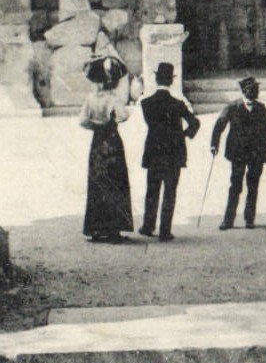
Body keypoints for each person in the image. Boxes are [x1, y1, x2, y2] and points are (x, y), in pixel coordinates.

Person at [138, 62, 200, 242]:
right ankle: (165, 231)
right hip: (174, 152)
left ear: (156, 79)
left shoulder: (146, 104)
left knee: (152, 190)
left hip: (154, 152)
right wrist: (183, 135)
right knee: (170, 192)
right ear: (171, 81)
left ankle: (148, 227)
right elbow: (195, 123)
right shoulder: (179, 104)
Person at [77, 55, 134, 244]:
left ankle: (95, 228)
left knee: (97, 183)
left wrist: (96, 124)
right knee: (115, 183)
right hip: (112, 141)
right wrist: (108, 122)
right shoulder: (113, 98)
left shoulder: (90, 99)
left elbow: (82, 121)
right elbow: (123, 116)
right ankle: (113, 229)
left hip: (97, 142)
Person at [210, 76, 266, 230]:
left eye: (256, 89)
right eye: (251, 89)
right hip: (237, 153)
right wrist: (214, 144)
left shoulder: (261, 108)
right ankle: (228, 220)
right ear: (244, 91)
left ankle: (249, 219)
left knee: (253, 186)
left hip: (256, 153)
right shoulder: (233, 107)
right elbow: (220, 125)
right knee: (235, 185)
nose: (254, 92)